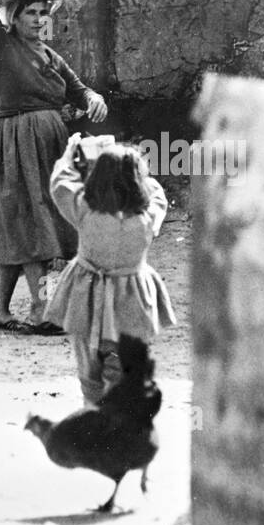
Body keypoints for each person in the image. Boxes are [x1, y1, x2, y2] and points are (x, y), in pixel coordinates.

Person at [0, 0, 108, 335]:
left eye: (42, 12)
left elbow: (81, 91)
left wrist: (95, 100)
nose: (36, 18)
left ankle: (0, 309)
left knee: (27, 225)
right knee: (29, 223)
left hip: (49, 145)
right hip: (14, 145)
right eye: (28, 12)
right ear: (13, 17)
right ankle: (40, 308)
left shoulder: (51, 56)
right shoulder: (0, 47)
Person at [46, 135, 176, 404]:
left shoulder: (84, 209)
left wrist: (70, 156)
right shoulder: (146, 217)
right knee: (125, 364)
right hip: (130, 301)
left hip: (87, 298)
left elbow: (60, 184)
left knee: (88, 364)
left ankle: (91, 409)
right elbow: (156, 194)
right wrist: (134, 170)